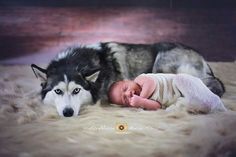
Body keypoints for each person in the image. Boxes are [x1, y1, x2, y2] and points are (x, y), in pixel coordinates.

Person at [108, 73, 227, 113]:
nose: (128, 94)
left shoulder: (140, 80)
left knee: (181, 79)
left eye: (125, 89)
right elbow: (158, 106)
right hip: (180, 97)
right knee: (172, 109)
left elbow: (151, 83)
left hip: (182, 84)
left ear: (128, 80)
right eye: (125, 99)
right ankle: (203, 104)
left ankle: (213, 101)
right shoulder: (143, 103)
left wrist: (142, 99)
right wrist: (143, 103)